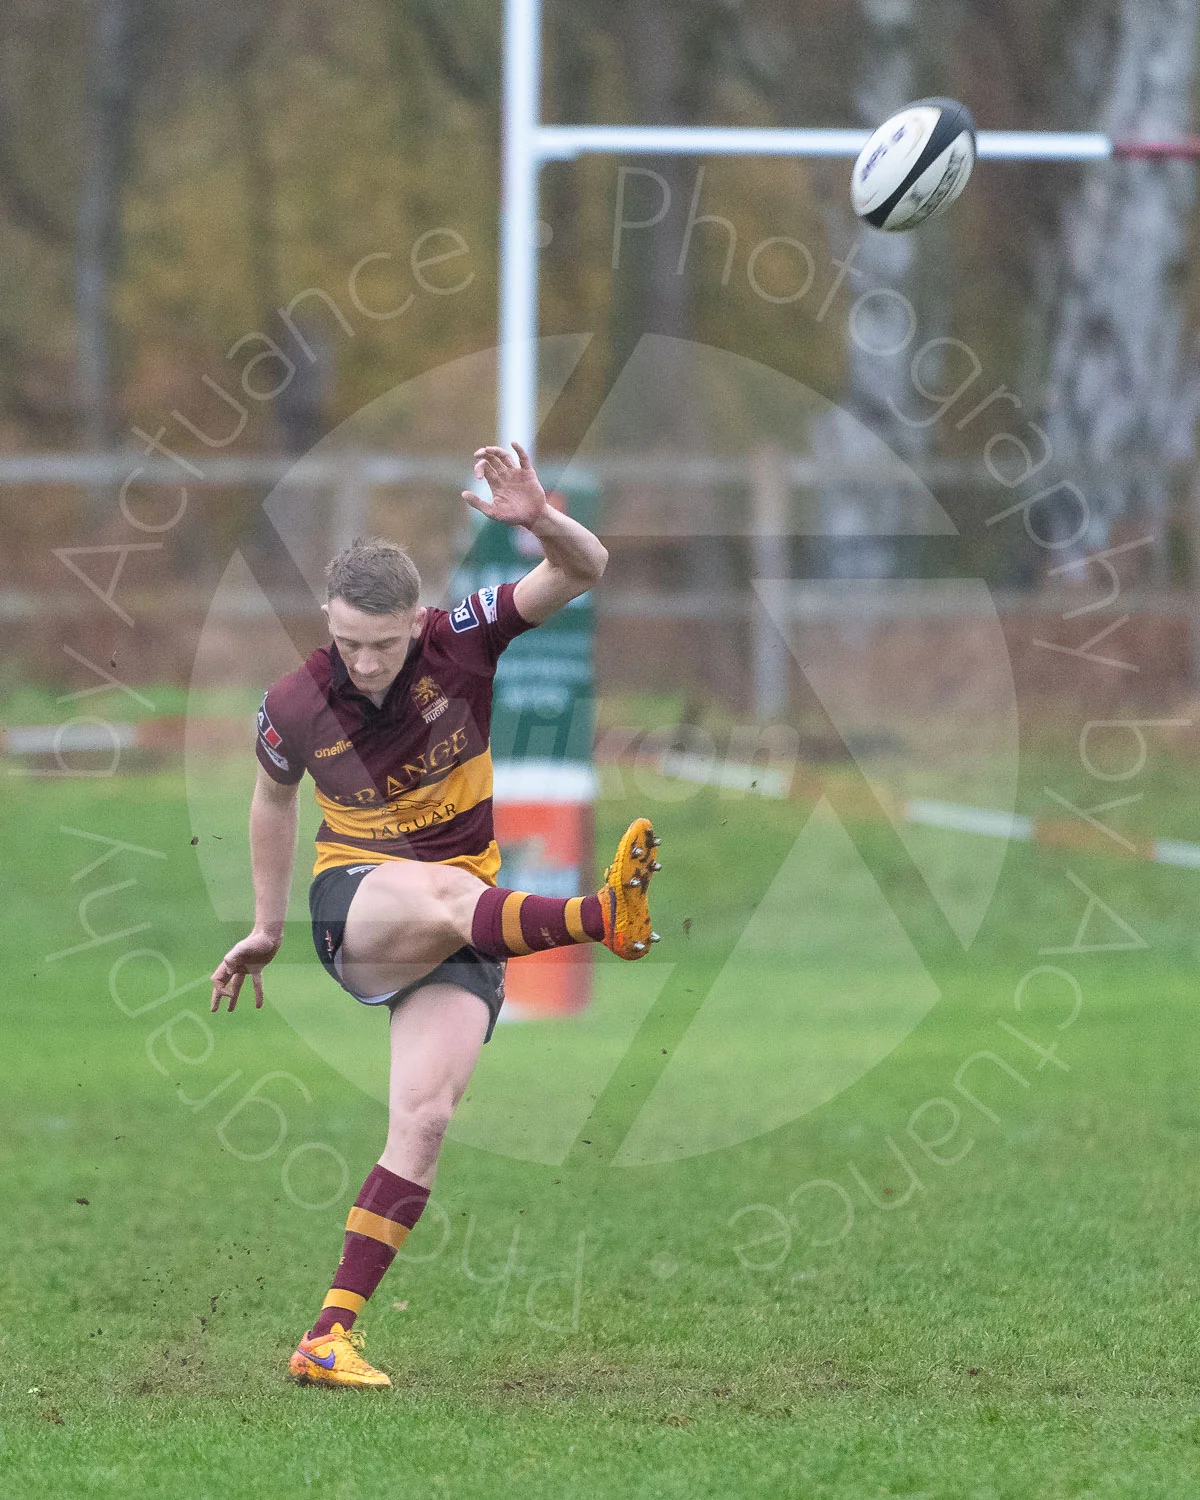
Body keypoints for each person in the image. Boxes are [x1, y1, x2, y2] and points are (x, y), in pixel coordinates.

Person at [209, 443, 661, 1389]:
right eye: (348, 644)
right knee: (456, 896)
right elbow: (270, 799)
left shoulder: (462, 639)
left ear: (414, 622)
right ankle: (598, 916)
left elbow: (585, 569)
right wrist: (267, 925)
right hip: (361, 911)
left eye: (382, 642)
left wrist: (537, 518)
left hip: (466, 924)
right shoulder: (297, 701)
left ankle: (326, 1336)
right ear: (328, 626)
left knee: (423, 1119)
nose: (365, 664)